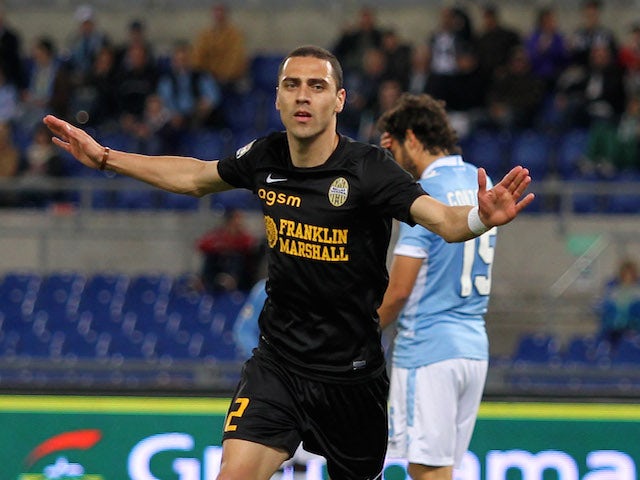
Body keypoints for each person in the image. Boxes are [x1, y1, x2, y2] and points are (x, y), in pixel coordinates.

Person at [43, 45, 534, 480]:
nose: (303, 96)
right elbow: (195, 176)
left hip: (352, 375)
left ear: (339, 100)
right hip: (278, 363)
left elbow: (443, 222)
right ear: (276, 98)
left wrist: (478, 218)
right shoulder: (265, 155)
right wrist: (106, 157)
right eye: (291, 85)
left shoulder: (369, 168)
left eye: (317, 86)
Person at [376, 93, 496, 480]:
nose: (393, 162)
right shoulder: (480, 180)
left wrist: (359, 332)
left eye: (392, 147)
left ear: (411, 138)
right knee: (440, 469)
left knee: (427, 470)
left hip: (427, 348)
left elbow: (398, 292)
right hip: (473, 347)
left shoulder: (423, 196)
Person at [196, 208, 263, 292]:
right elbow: (202, 244)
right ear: (229, 222)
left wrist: (231, 247)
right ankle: (206, 282)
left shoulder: (243, 236)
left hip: (240, 274)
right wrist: (222, 248)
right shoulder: (219, 235)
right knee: (211, 258)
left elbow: (251, 245)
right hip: (220, 267)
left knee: (237, 257)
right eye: (236, 220)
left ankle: (230, 280)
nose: (239, 223)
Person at [191, 2, 248, 92]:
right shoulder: (204, 35)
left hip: (229, 80)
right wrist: (204, 74)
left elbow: (236, 59)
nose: (218, 16)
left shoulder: (235, 35)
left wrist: (224, 75)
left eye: (221, 12)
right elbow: (198, 57)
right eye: (216, 12)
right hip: (208, 78)